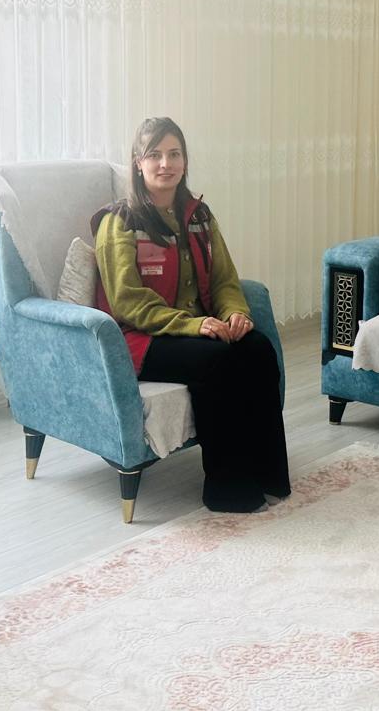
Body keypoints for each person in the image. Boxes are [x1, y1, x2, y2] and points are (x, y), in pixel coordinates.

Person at [92, 116, 289, 513]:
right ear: (138, 163)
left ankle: (268, 475)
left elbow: (224, 279)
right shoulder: (120, 221)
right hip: (140, 340)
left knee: (258, 349)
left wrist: (234, 313)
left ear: (185, 161)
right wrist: (195, 325)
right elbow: (128, 302)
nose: (166, 164)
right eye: (155, 155)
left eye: (175, 154)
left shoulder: (199, 215)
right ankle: (226, 489)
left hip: (195, 328)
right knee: (218, 362)